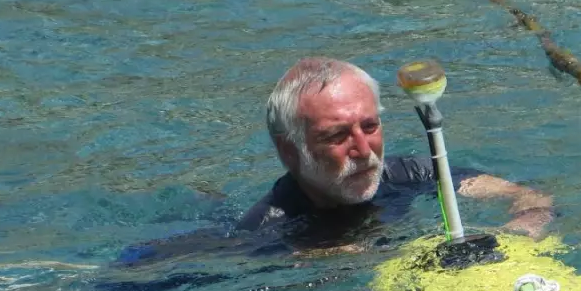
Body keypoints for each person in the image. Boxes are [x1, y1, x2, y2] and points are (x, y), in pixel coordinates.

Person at [235, 56, 554, 251]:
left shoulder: (410, 175)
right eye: (337, 135)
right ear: (290, 150)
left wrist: (517, 231)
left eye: (370, 126)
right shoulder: (267, 232)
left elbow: (531, 198)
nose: (363, 150)